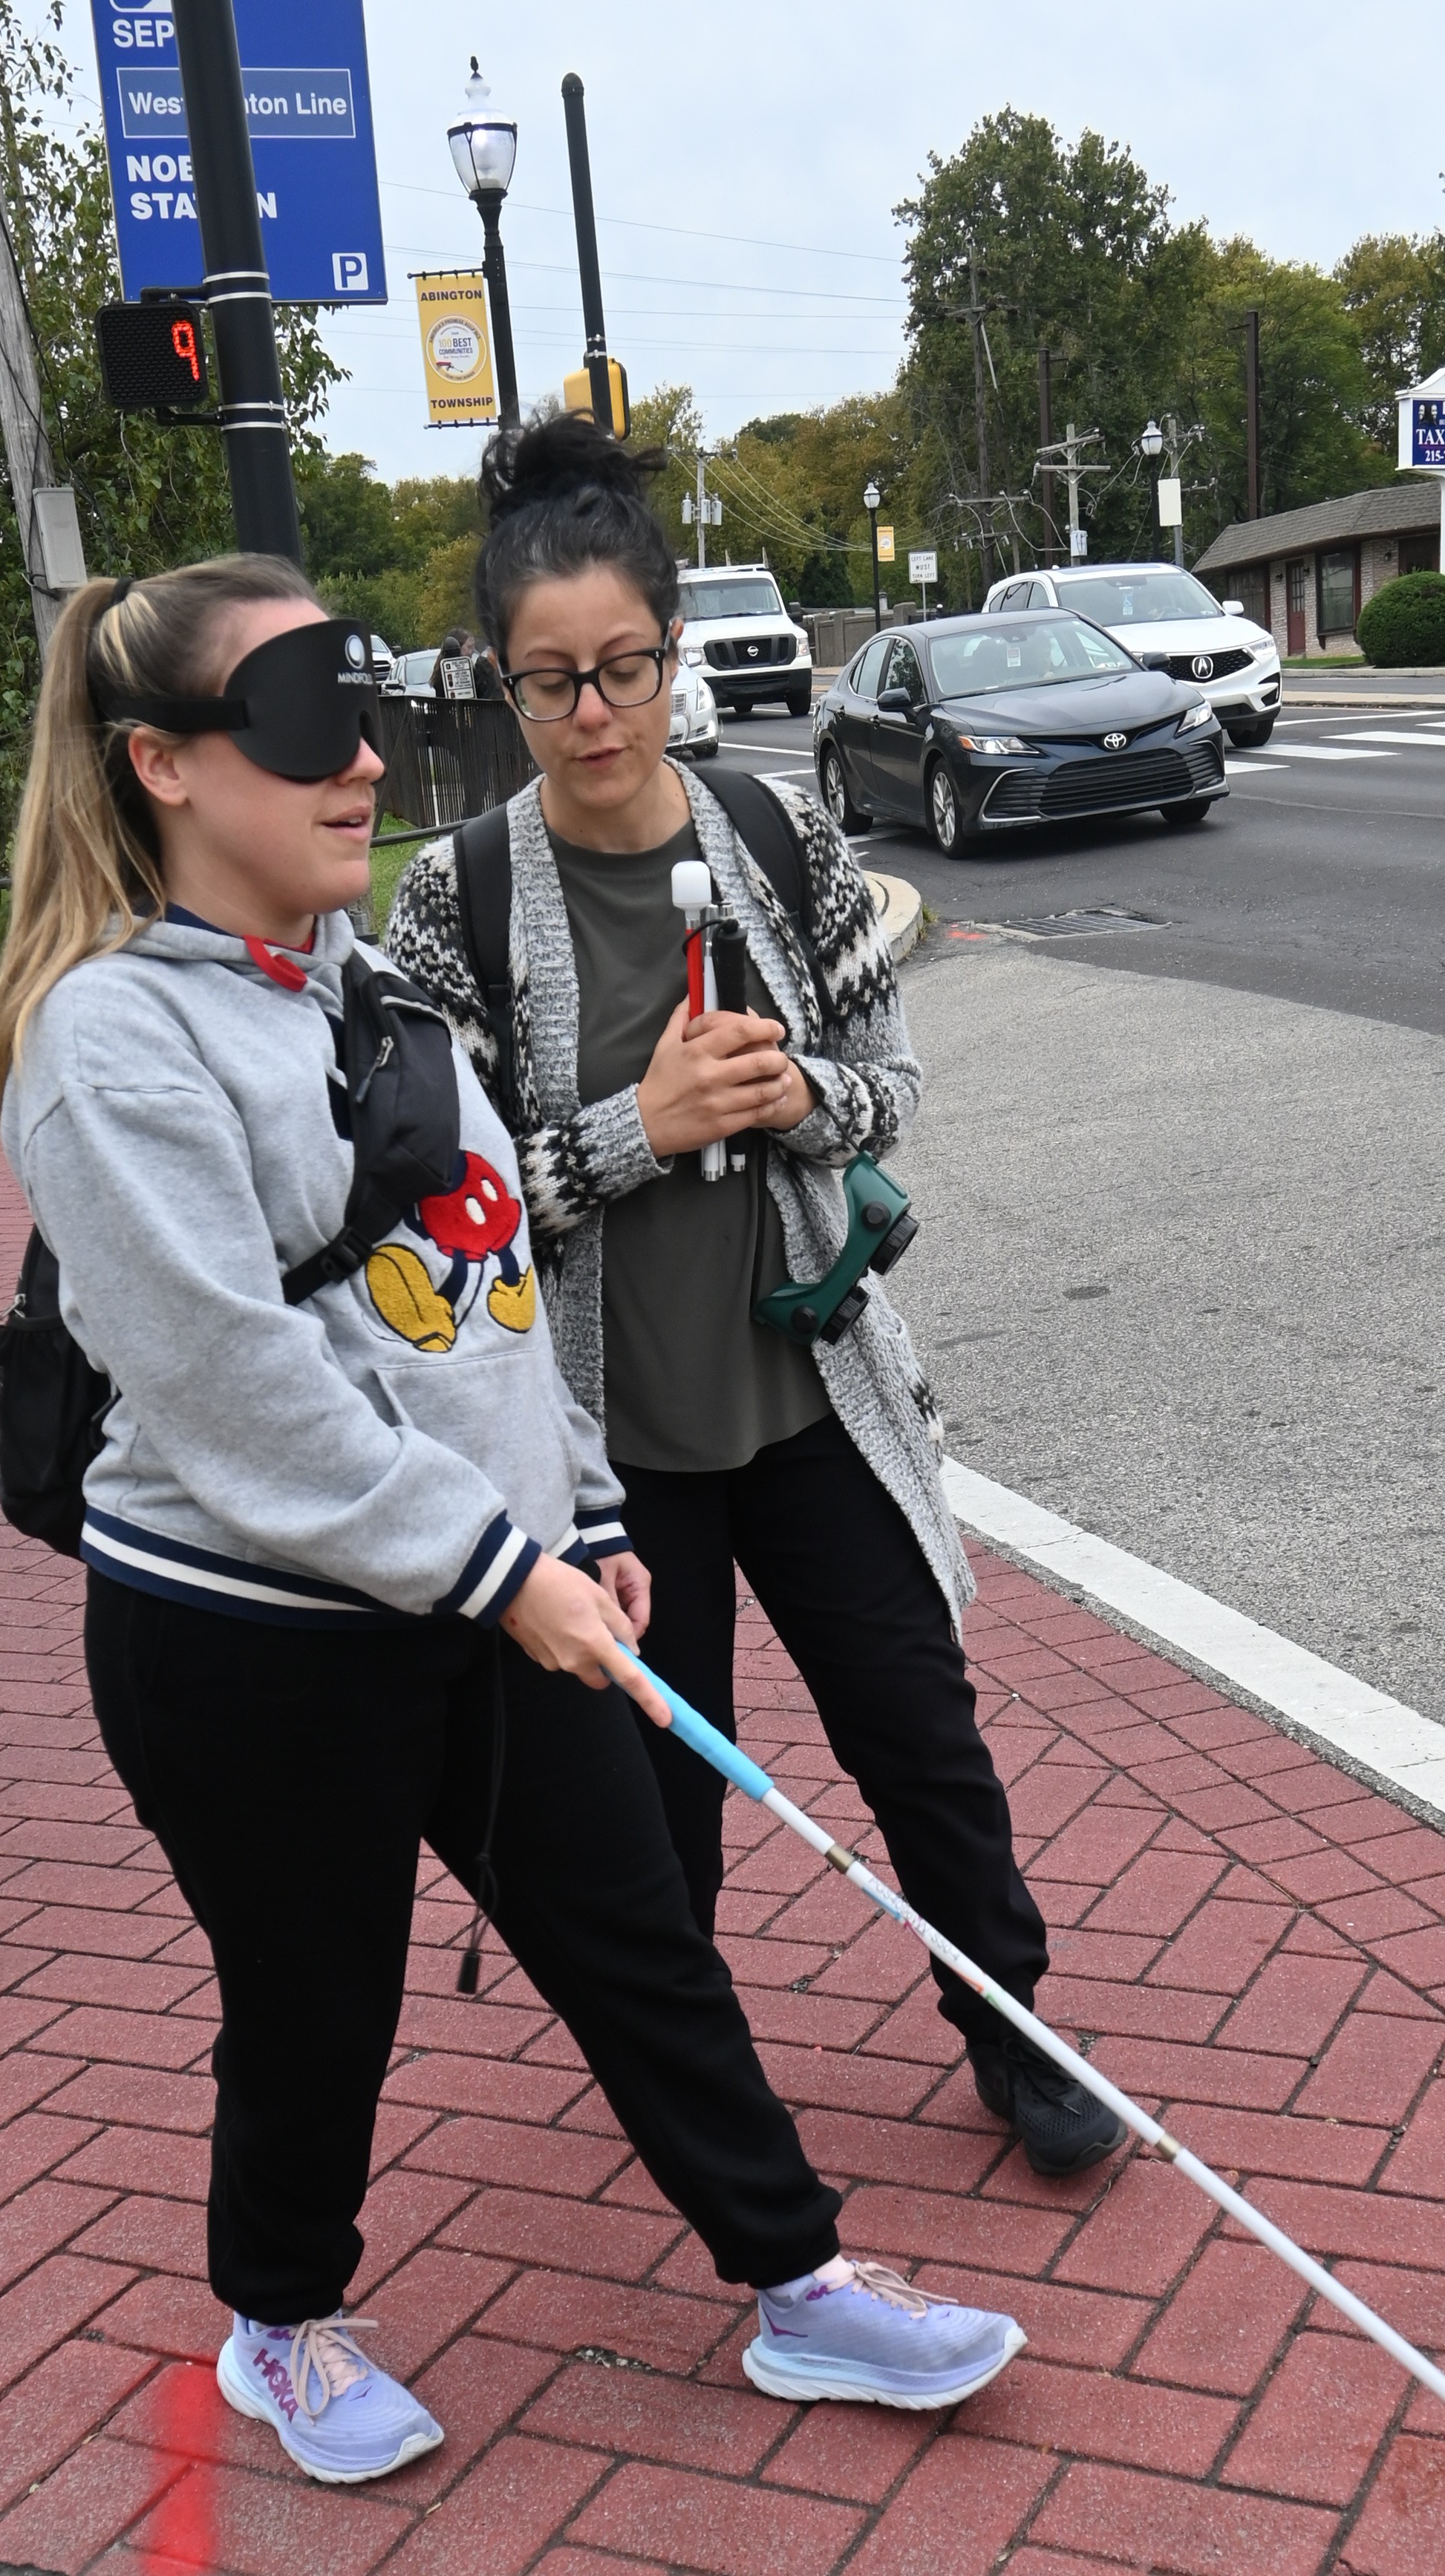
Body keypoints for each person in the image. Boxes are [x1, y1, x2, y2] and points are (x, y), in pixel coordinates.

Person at [0, 552, 1027, 2488]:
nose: (364, 760)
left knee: (641, 1942)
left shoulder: (377, 994)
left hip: (492, 1584)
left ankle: (799, 2285)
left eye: (359, 703)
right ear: (164, 764)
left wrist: (588, 1507)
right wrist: (495, 1569)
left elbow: (495, 1296)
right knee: (318, 2005)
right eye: (299, 722)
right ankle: (279, 2326)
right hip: (252, 1638)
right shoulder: (109, 1044)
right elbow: (231, 1393)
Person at [385, 420, 1118, 2178]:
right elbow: (447, 1231)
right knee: (661, 1809)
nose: (592, 713)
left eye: (625, 668)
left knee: (919, 1741)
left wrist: (801, 1100)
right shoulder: (454, 901)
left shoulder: (776, 835)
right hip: (611, 1453)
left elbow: (890, 1087)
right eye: (548, 680)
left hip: (812, 1399)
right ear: (504, 683)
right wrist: (633, 1133)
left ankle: (1007, 2027)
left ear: (671, 653)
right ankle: (708, 2110)